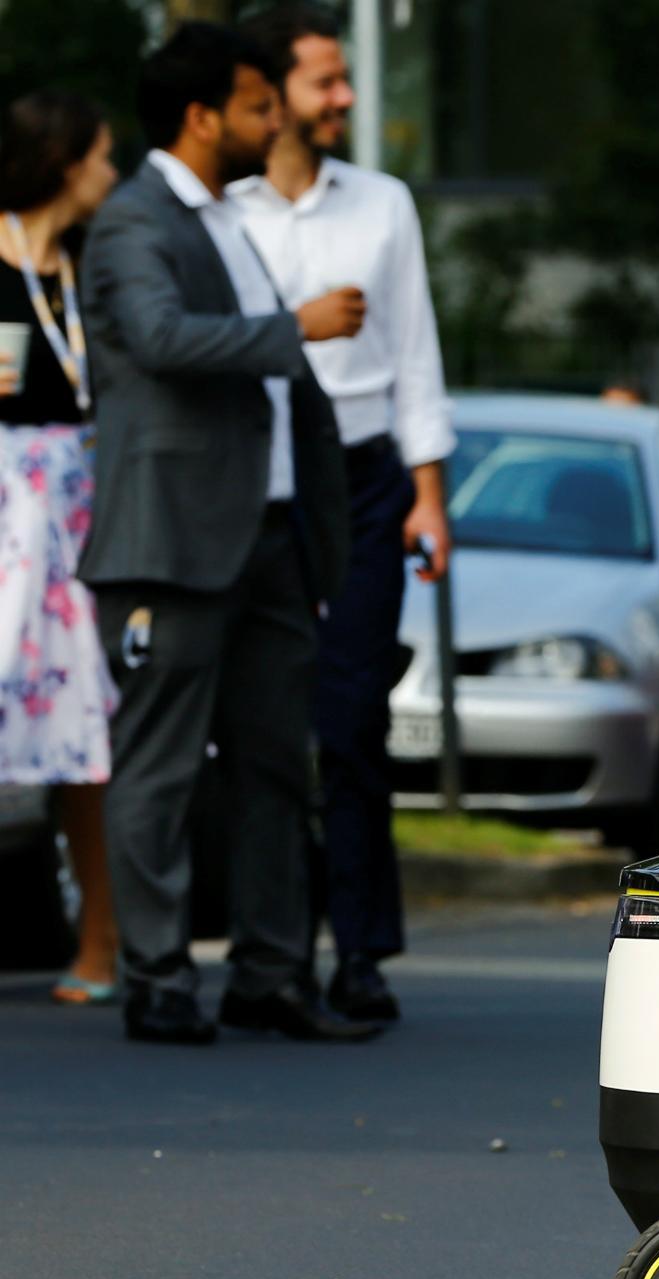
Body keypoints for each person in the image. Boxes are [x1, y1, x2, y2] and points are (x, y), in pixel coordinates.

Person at [79, 23, 375, 1045]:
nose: (275, 119)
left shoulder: (219, 219)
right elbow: (160, 338)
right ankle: (158, 979)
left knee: (273, 766)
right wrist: (295, 324)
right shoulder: (134, 221)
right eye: (257, 104)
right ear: (202, 117)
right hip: (173, 539)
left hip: (272, 536)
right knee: (160, 765)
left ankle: (268, 974)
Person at [235, 2, 454, 1023]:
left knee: (353, 717)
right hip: (252, 484)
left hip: (364, 481)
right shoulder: (219, 207)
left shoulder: (383, 204)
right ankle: (263, 953)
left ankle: (360, 951)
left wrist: (427, 499)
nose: (346, 98)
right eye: (327, 79)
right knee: (261, 726)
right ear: (268, 92)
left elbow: (414, 353)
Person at [0, 90, 121, 1005]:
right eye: (103, 156)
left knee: (91, 726)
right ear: (63, 160)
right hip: (6, 508)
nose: (112, 175)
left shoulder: (90, 267)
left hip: (80, 512)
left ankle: (100, 942)